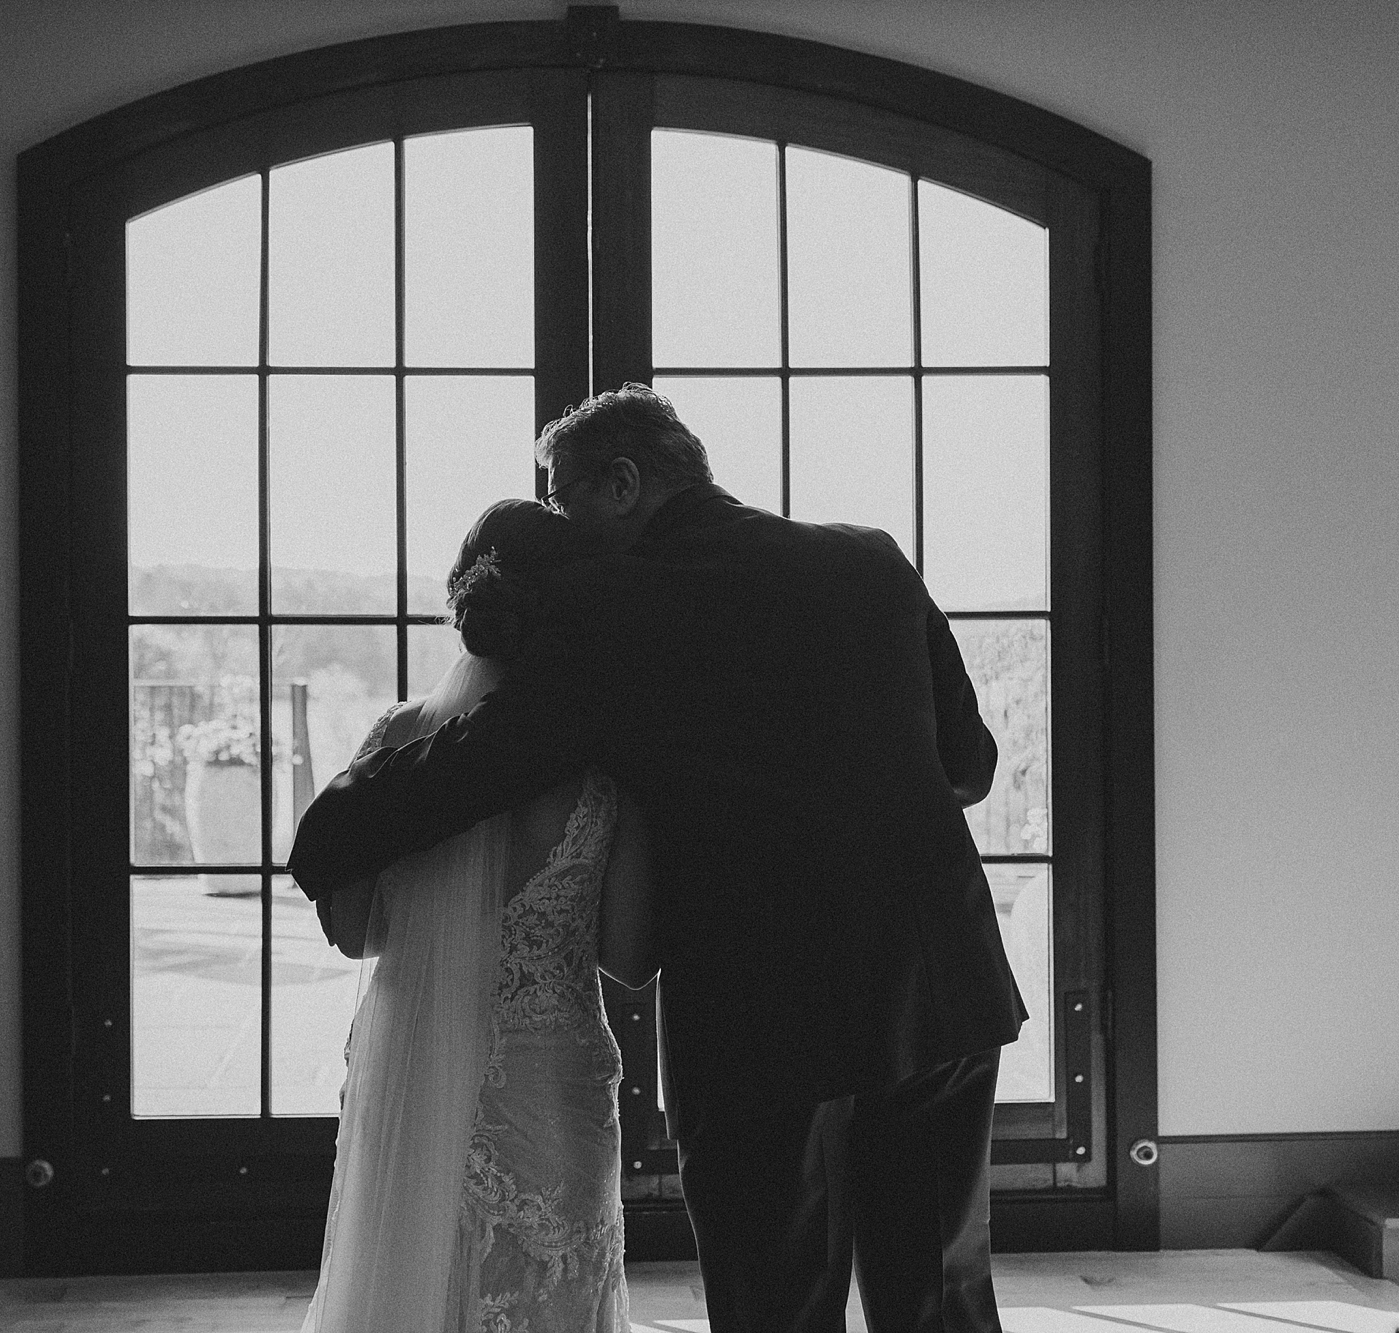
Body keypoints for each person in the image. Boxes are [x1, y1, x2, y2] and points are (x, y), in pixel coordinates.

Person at [291, 386, 1026, 1333]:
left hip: (764, 1014)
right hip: (937, 983)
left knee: (779, 1306)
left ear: (624, 481)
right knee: (941, 1300)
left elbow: (492, 758)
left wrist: (331, 832)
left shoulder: (612, 604)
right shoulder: (869, 557)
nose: (558, 529)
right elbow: (969, 767)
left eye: (562, 499)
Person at [302, 499, 657, 1333]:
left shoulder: (399, 736)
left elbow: (357, 933)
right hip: (547, 1085)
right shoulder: (604, 763)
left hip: (412, 1069)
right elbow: (632, 956)